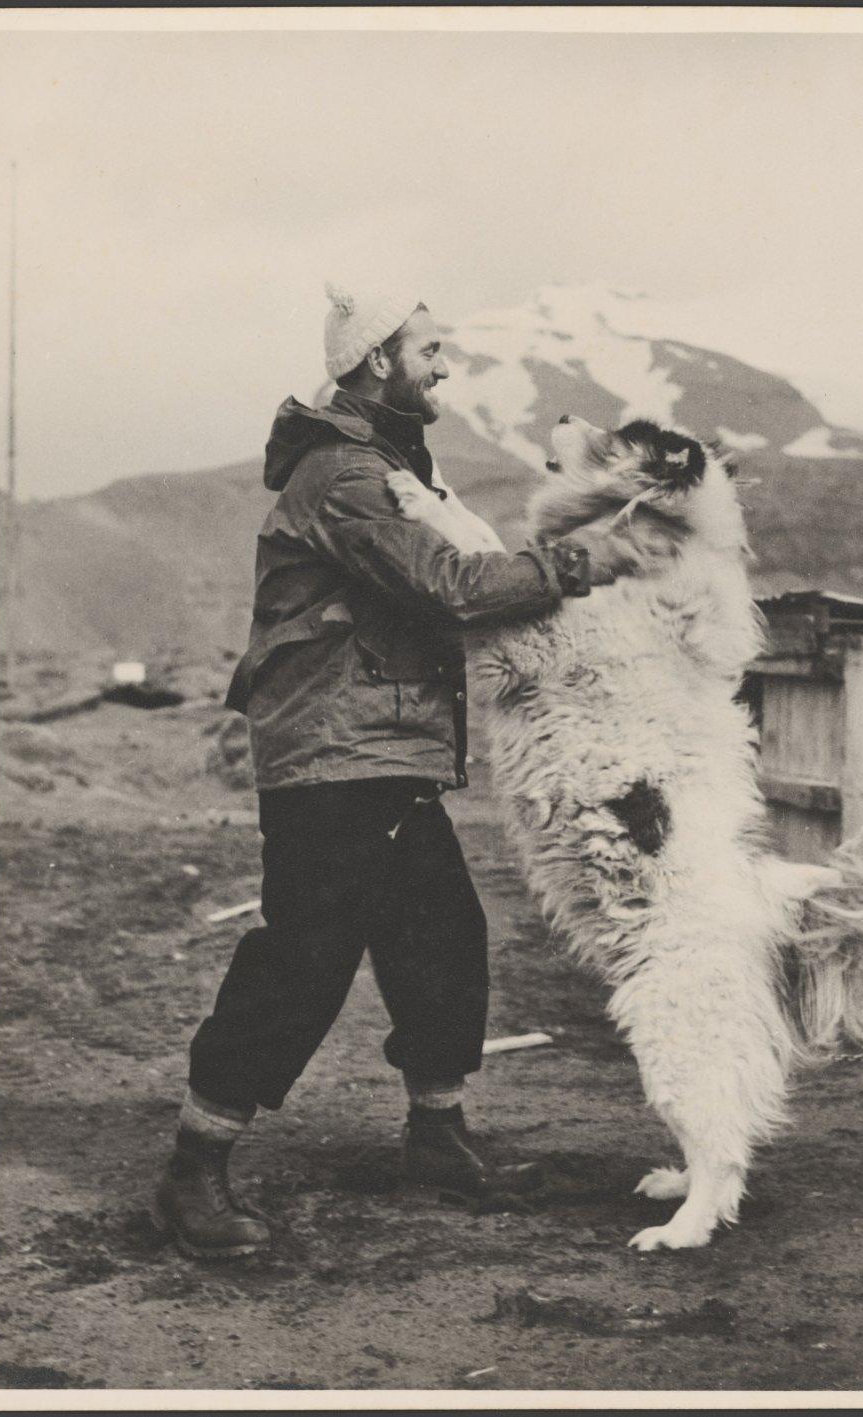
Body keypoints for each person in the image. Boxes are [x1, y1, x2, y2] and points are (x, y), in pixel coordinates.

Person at [153, 284, 633, 1258]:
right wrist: (578, 563)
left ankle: (436, 1134)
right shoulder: (343, 475)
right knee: (304, 957)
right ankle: (193, 1170)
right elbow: (449, 586)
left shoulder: (391, 468)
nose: (447, 365)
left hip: (383, 750)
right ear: (377, 361)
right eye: (431, 350)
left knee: (443, 937)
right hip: (333, 754)